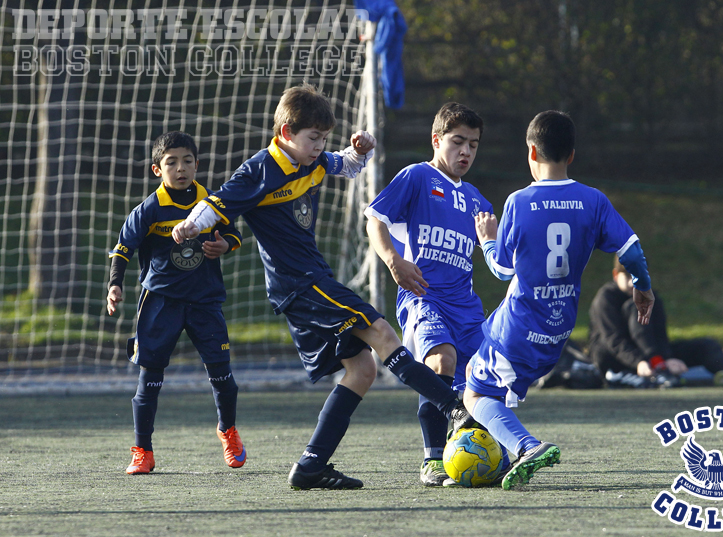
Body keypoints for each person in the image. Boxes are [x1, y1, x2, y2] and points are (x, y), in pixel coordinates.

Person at [171, 84, 471, 490]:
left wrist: (361, 150)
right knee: (381, 331)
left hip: (309, 282)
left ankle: (311, 465)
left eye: (323, 138)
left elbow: (345, 165)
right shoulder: (261, 168)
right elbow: (219, 203)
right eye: (313, 138)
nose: (319, 147)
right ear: (285, 134)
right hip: (300, 282)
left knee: (362, 368)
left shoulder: (311, 161)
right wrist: (191, 223)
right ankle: (452, 406)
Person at [463, 110, 655, 490]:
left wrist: (486, 237)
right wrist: (642, 286)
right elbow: (630, 248)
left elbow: (502, 270)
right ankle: (495, 453)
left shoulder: (519, 201)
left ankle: (525, 447)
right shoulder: (593, 200)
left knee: (474, 390)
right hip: (559, 329)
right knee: (481, 369)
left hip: (520, 324)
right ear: (571, 155)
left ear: (531, 152)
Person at [365, 103, 496, 486]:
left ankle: (490, 451)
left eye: (473, 144)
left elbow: (499, 257)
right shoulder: (417, 177)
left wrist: (493, 240)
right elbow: (375, 219)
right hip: (424, 297)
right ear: (437, 140)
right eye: (458, 142)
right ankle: (433, 461)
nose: (466, 152)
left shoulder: (477, 200)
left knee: (485, 378)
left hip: (467, 307)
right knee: (442, 360)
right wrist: (393, 260)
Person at [107, 131, 246, 475]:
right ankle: (143, 450)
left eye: (187, 161)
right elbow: (123, 247)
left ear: (197, 165)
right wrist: (114, 284)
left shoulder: (211, 203)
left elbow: (234, 234)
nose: (180, 168)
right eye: (171, 162)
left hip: (204, 302)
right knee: (149, 379)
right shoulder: (149, 209)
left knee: (224, 378)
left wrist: (225, 245)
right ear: (158, 169)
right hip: (161, 302)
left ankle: (228, 431)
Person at [588, 257, 723, 388]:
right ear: (615, 275)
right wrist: (639, 362)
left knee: (706, 346)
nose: (632, 282)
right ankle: (645, 374)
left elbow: (659, 335)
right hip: (615, 359)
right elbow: (614, 340)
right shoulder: (605, 298)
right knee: (635, 307)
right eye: (627, 275)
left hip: (652, 358)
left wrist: (666, 358)